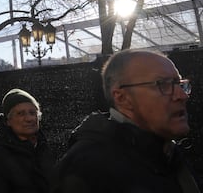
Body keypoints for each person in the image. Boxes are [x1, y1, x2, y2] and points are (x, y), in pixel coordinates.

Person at [51, 49, 201, 193]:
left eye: (179, 84)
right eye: (163, 84)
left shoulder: (169, 154)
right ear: (122, 98)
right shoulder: (87, 168)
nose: (182, 95)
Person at [0, 88, 54, 193]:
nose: (29, 118)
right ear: (8, 121)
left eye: (33, 113)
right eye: (21, 113)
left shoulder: (43, 148)